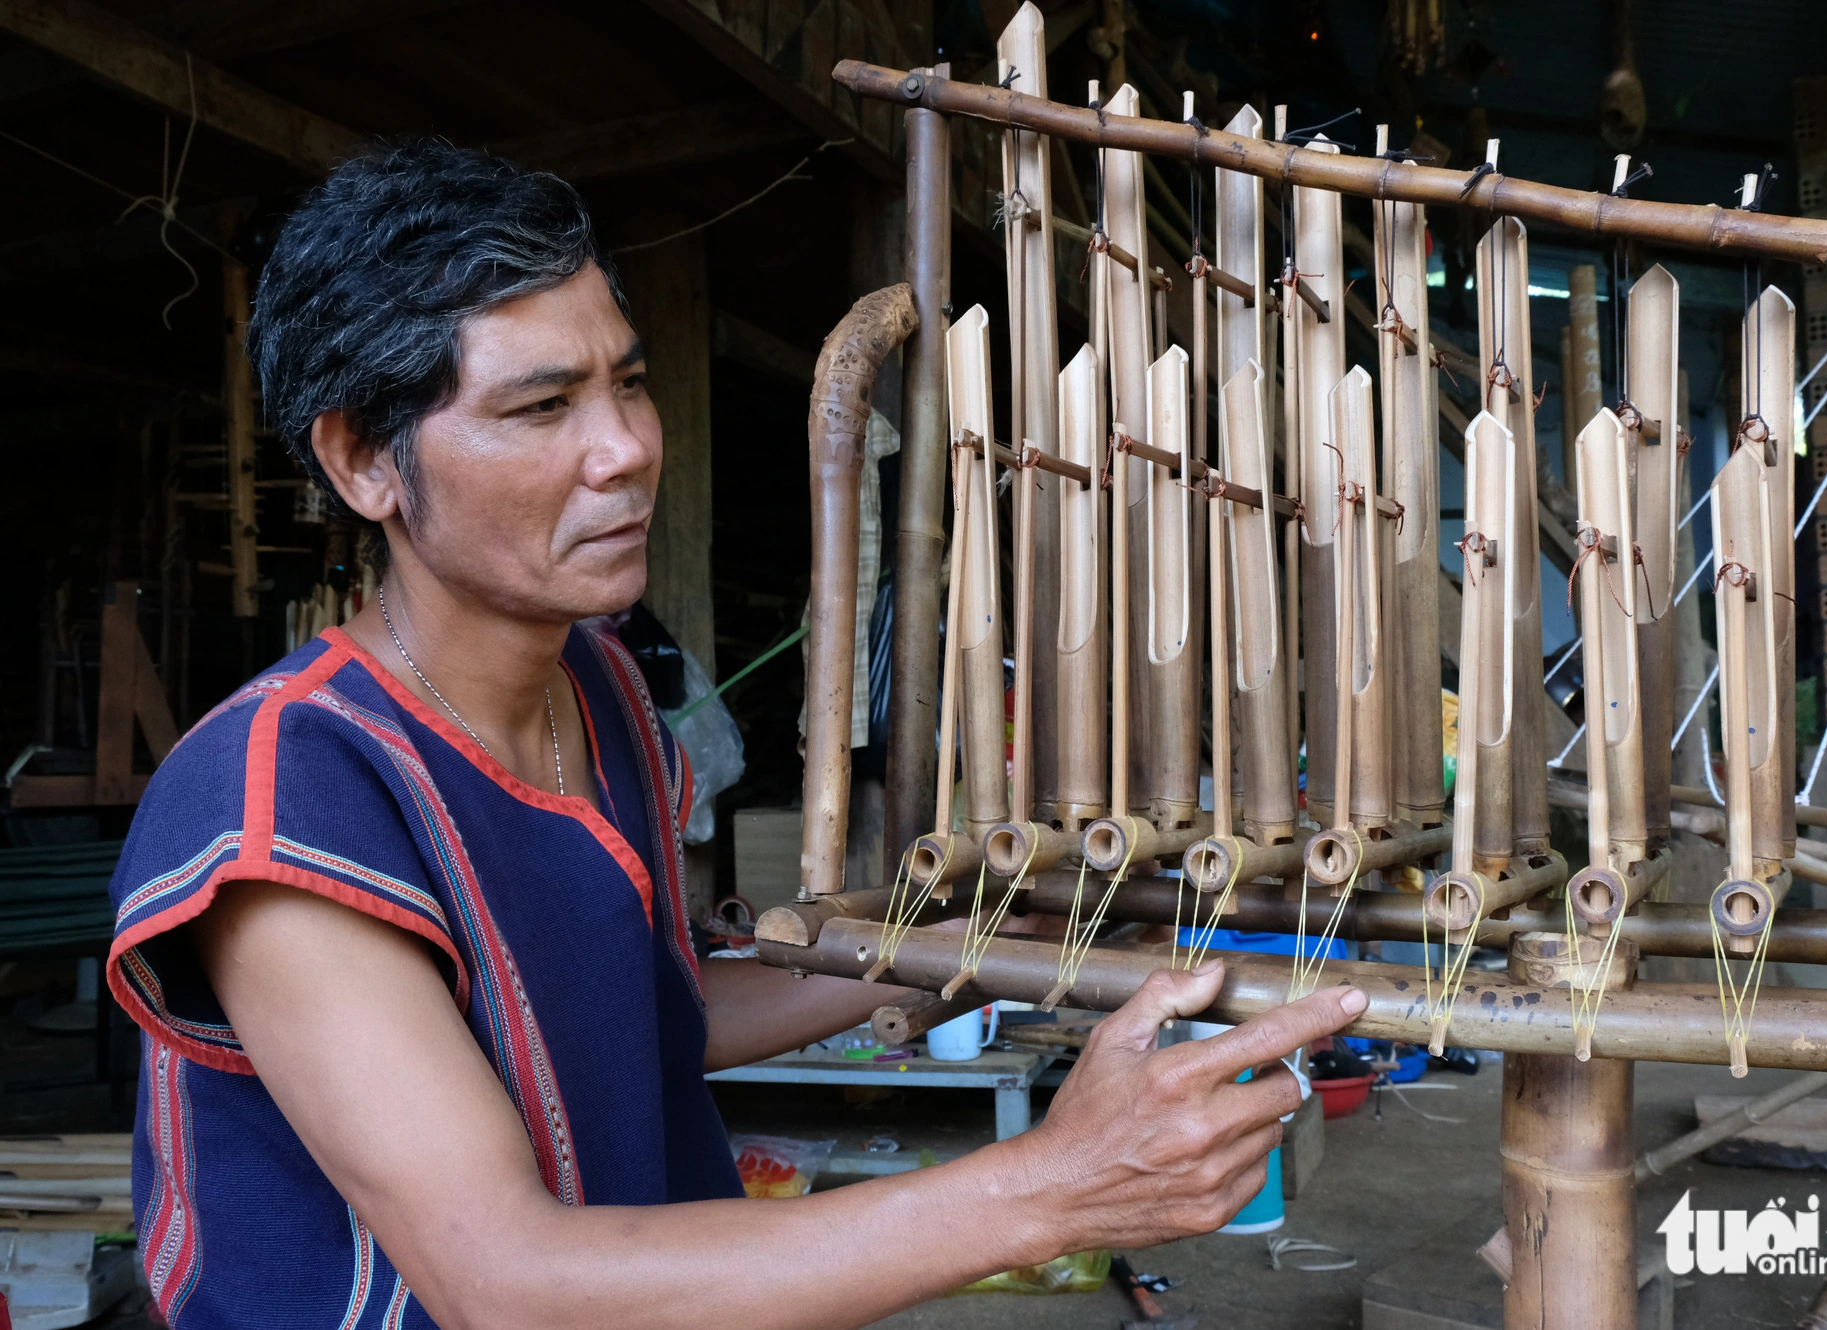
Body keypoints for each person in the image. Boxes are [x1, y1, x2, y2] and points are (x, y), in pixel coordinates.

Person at [106, 141, 1367, 1329]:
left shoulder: (598, 692)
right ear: (363, 462)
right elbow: (509, 1282)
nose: (627, 450)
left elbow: (647, 1016)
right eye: (543, 407)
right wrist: (1049, 1184)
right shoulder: (284, 797)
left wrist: (979, 946)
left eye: (629, 382)